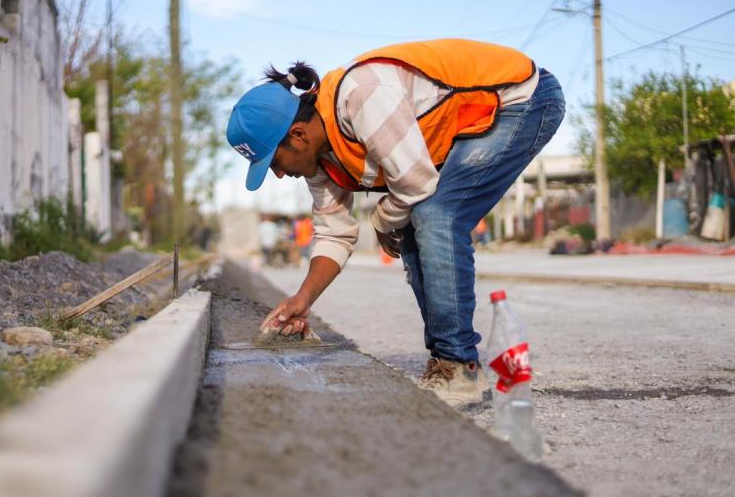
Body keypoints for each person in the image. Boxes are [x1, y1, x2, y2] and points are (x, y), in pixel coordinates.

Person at [226, 38, 565, 407]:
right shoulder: (319, 162)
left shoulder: (363, 96)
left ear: (298, 136)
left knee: (435, 215)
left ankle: (458, 366)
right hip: (479, 118)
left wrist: (384, 220)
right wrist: (303, 300)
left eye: (274, 162)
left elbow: (416, 184)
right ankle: (447, 360)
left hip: (519, 99)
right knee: (418, 219)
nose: (277, 175)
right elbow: (334, 233)